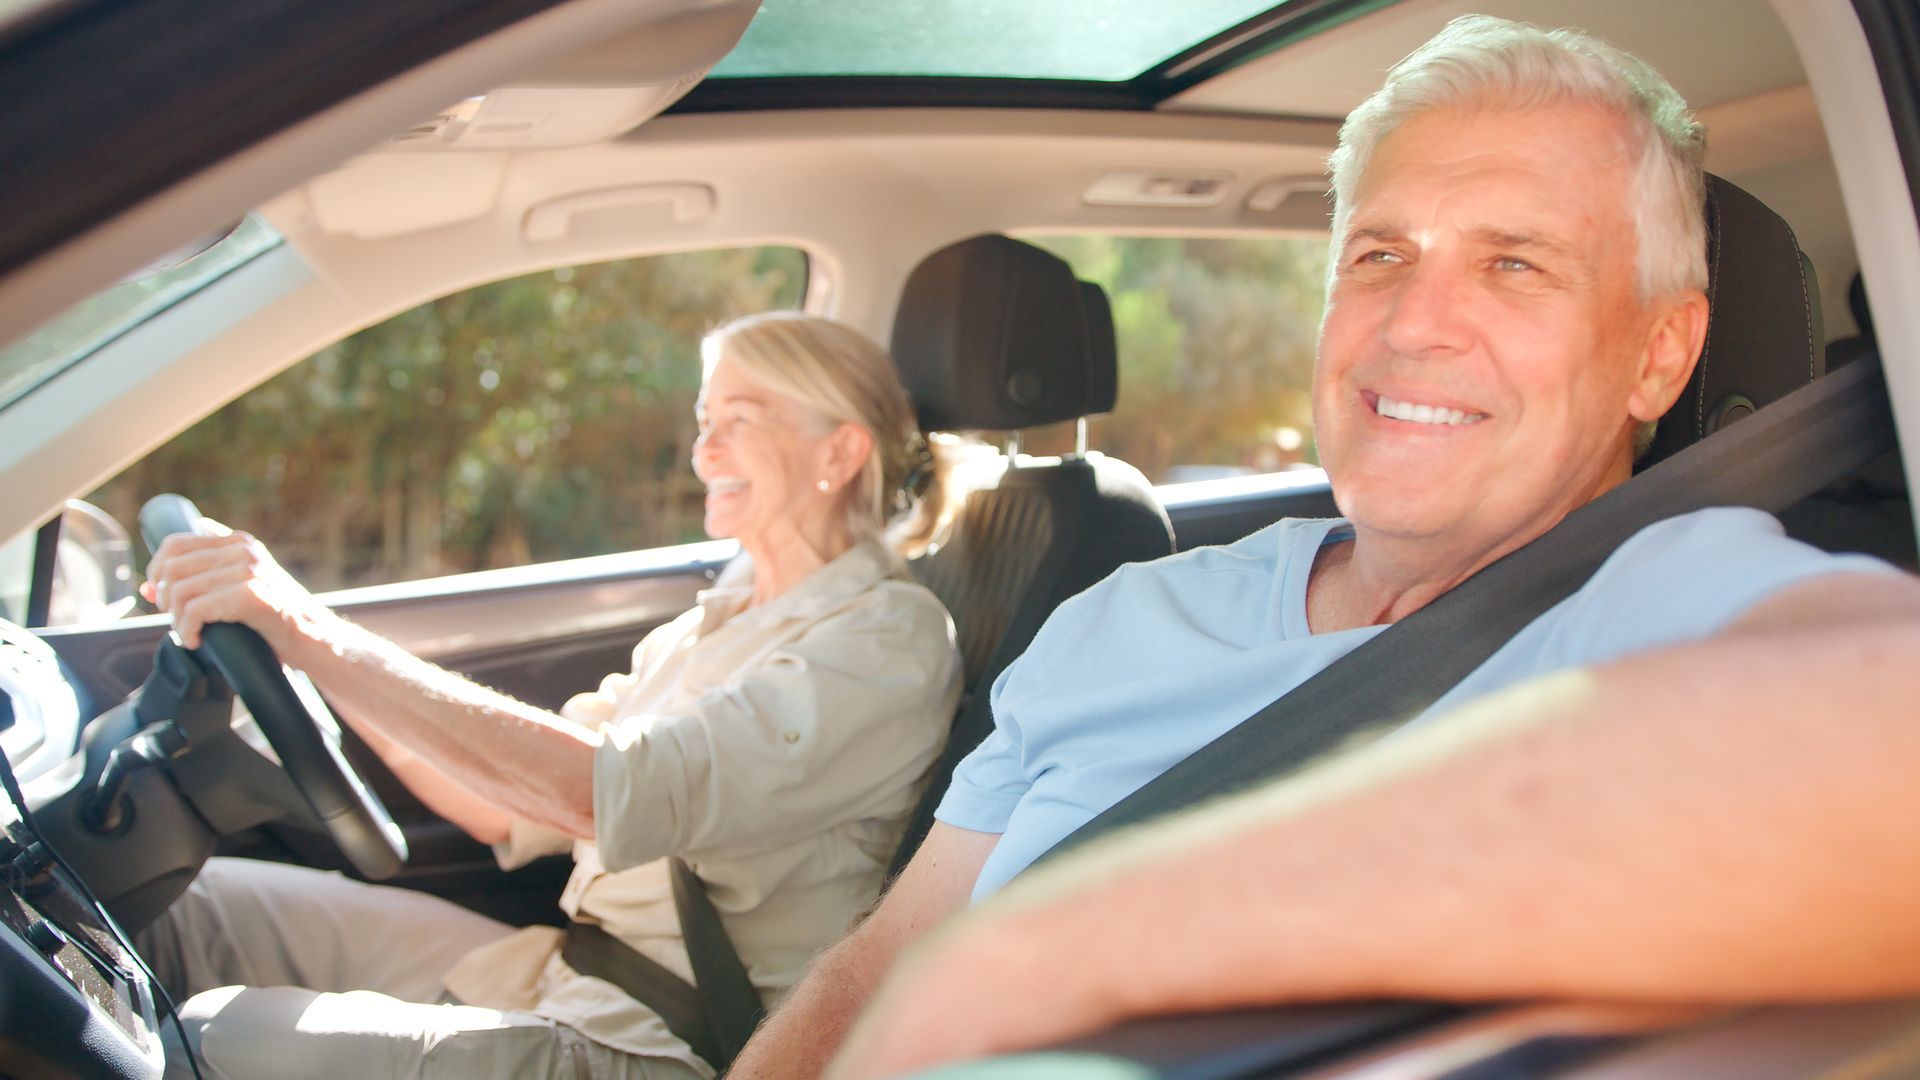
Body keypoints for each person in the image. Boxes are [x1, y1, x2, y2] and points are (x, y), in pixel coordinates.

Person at [726, 16, 1920, 1078]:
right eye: (1381, 255)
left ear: (1659, 356)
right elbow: (875, 973)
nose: (1412, 324)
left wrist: (1085, 948)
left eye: (1516, 264)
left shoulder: (1677, 596)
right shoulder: (1125, 613)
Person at [136, 311, 965, 1080]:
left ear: (839, 452)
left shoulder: (887, 640)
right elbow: (504, 810)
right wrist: (318, 672)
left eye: (738, 421)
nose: (704, 453)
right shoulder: (710, 623)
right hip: (561, 972)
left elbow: (598, 794)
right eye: (704, 422)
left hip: (663, 1041)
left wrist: (314, 631)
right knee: (195, 906)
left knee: (213, 1039)